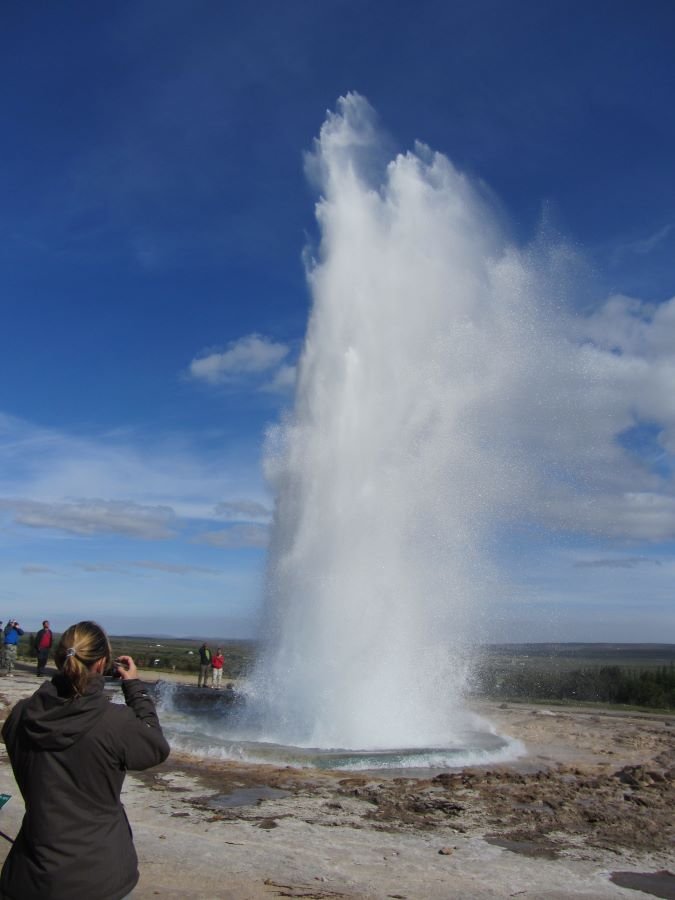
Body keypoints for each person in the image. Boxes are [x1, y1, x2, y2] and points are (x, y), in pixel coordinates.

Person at [0, 620, 170, 900]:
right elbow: (156, 746)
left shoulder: (20, 716)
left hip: (30, 876)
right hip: (99, 878)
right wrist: (134, 688)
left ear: (59, 658)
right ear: (102, 663)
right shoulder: (114, 723)